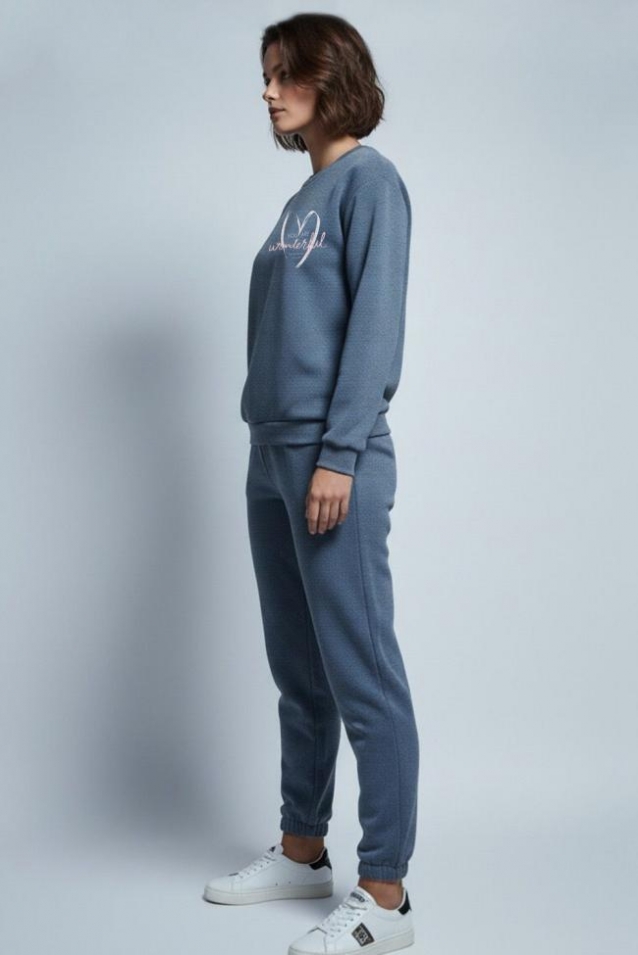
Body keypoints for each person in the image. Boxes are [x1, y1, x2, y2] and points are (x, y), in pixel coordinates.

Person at [203, 13, 420, 954]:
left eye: (284, 74)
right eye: (265, 75)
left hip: (333, 459)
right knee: (298, 669)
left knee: (362, 672)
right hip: (271, 453)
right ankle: (302, 847)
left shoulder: (371, 183)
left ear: (332, 79)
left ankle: (386, 895)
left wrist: (339, 453)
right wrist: (277, 445)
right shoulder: (307, 195)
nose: (267, 91)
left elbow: (375, 327)